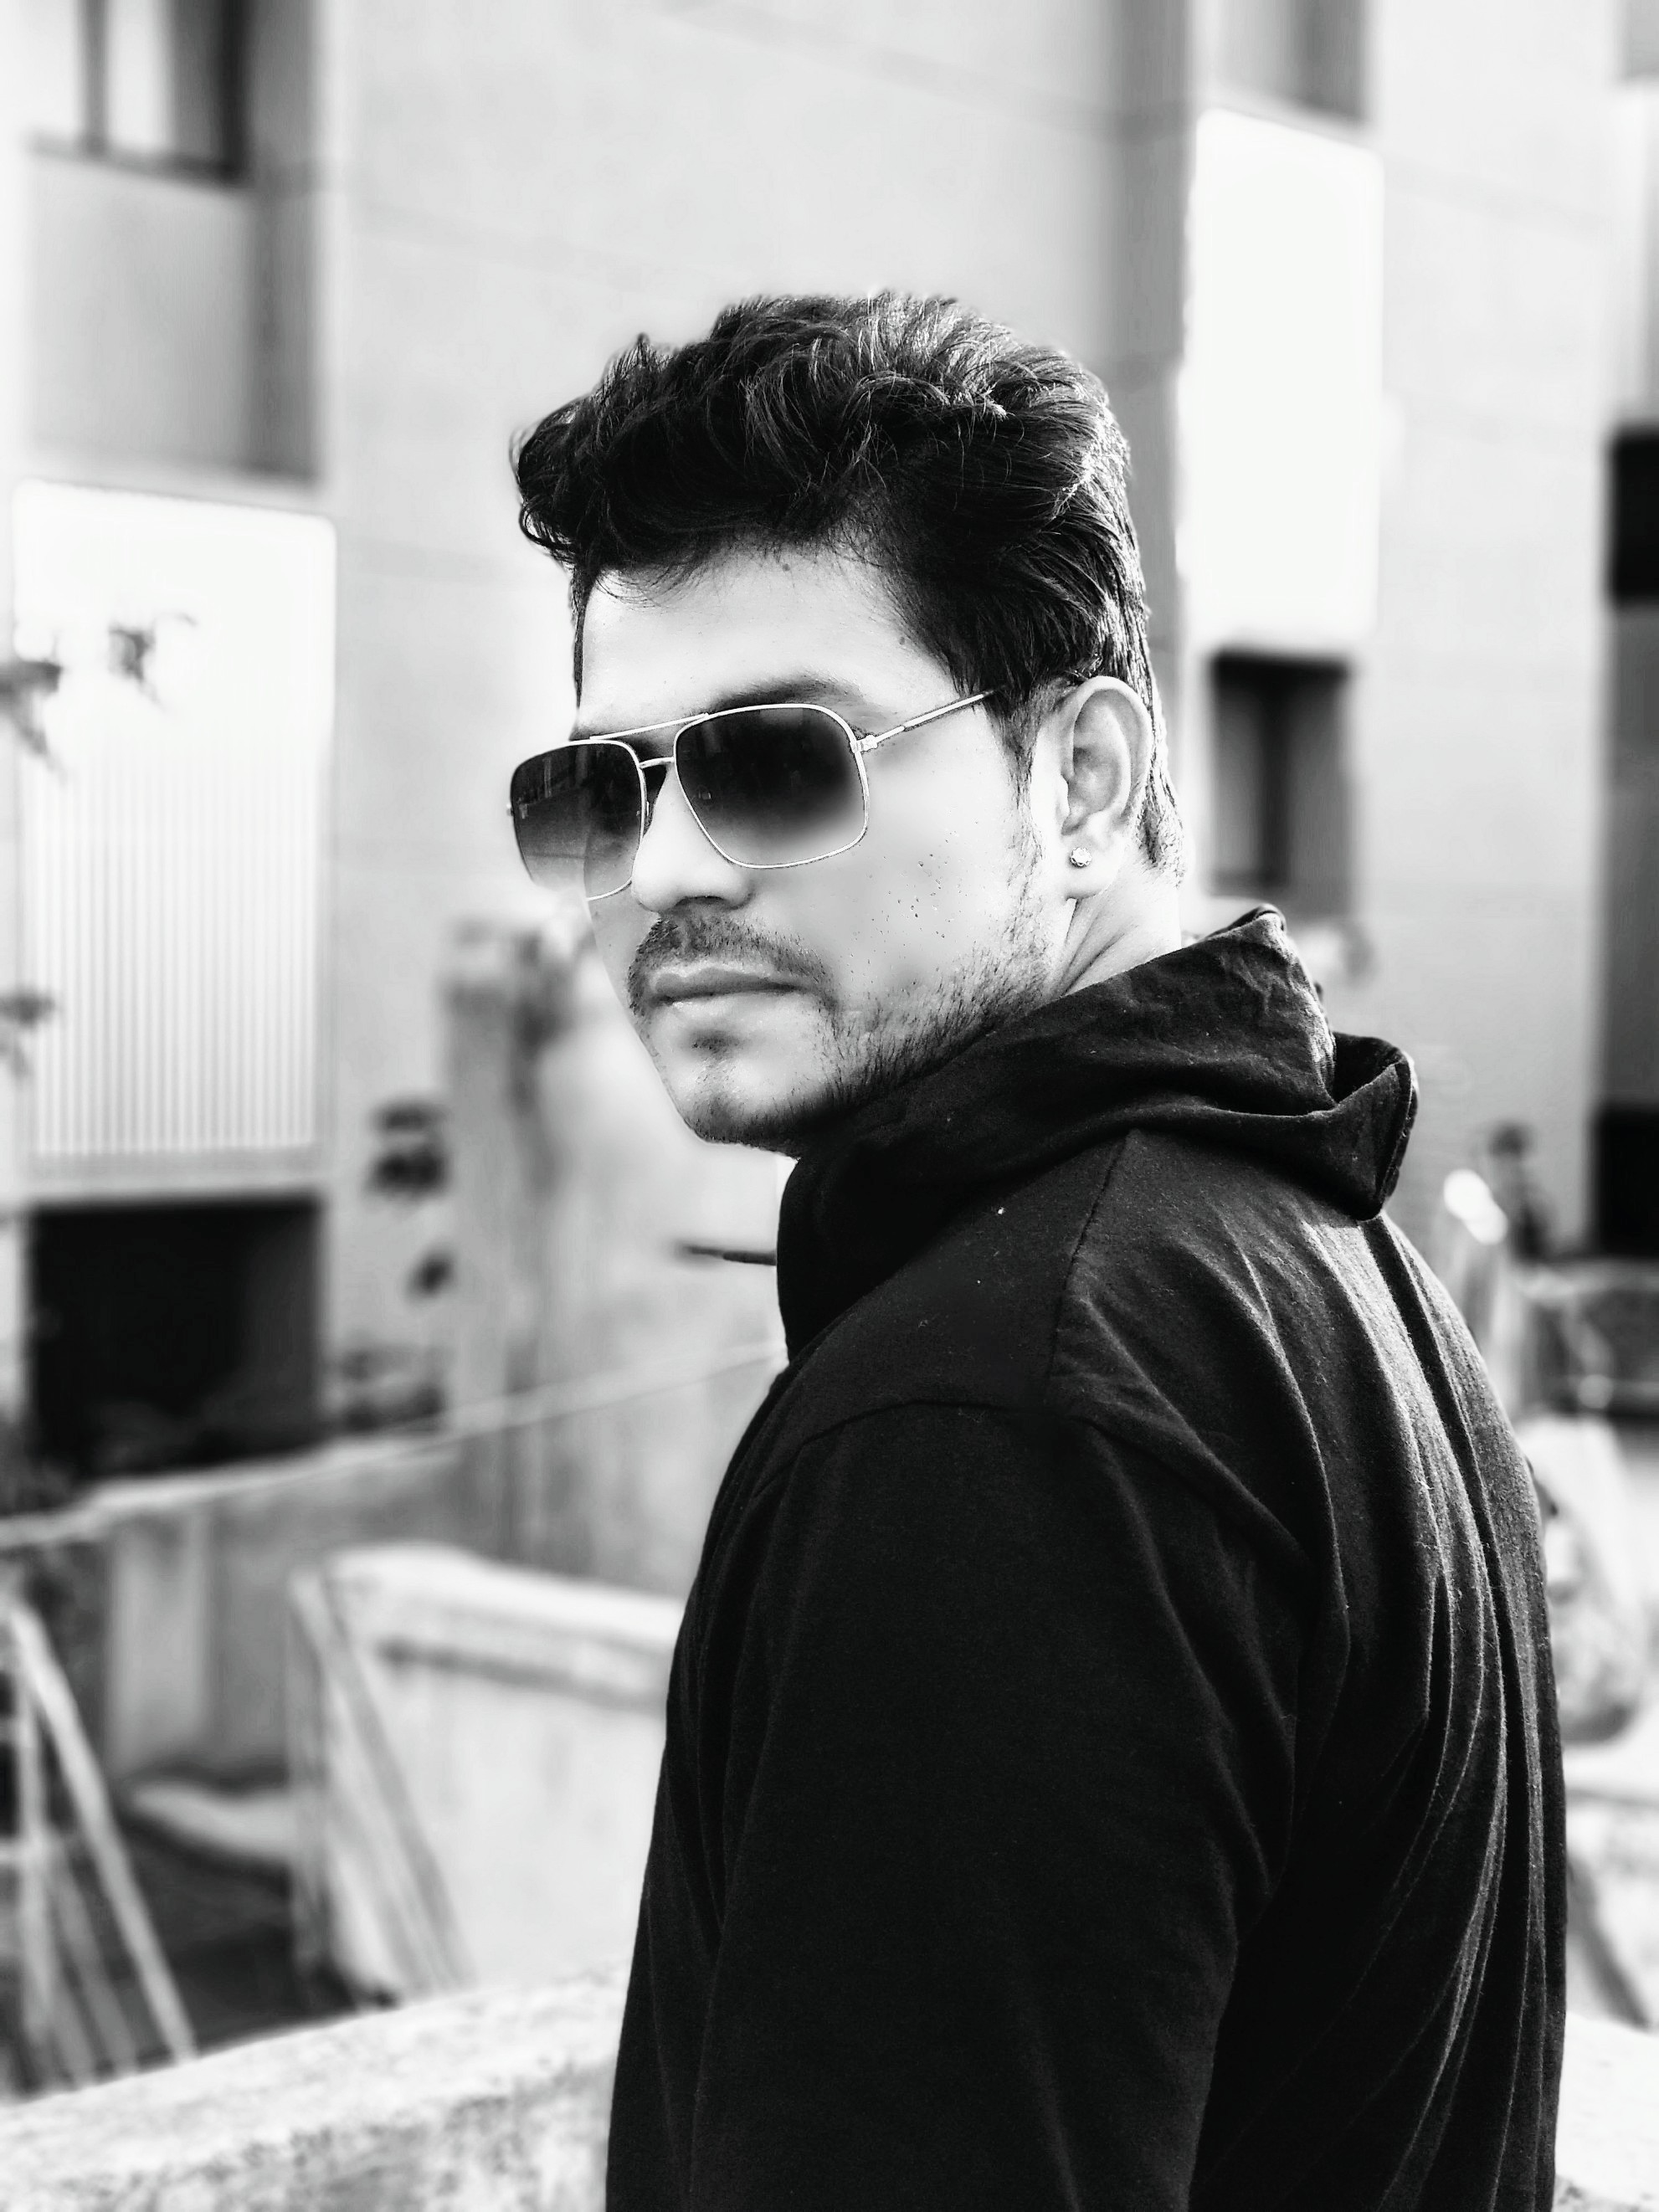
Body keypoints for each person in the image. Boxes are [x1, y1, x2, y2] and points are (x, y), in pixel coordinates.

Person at [508, 294, 1564, 2210]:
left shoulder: (1000, 1419)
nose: (663, 871)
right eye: (600, 789)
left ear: (1076, 778)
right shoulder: (1308, 1254)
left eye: (773, 759)